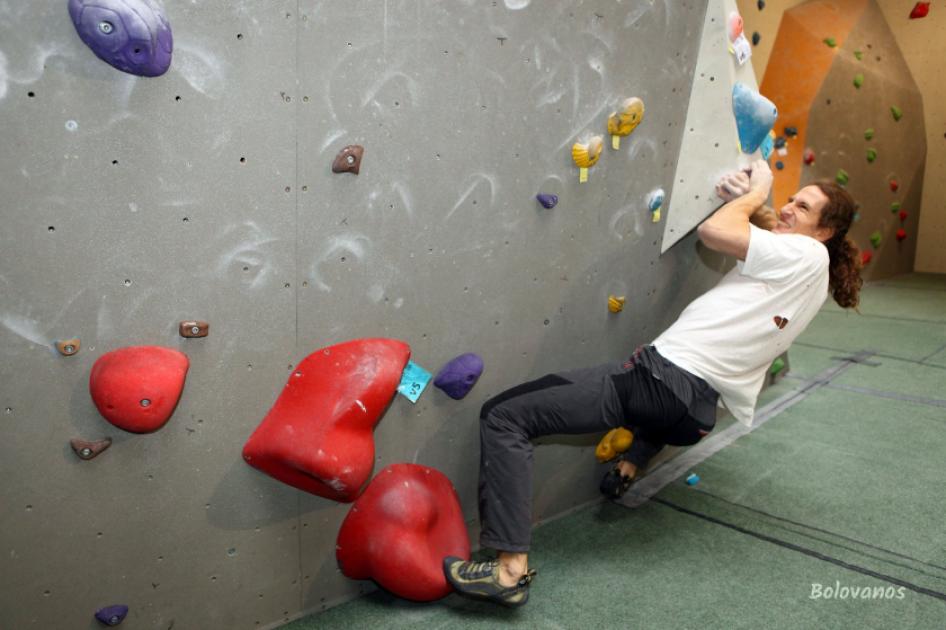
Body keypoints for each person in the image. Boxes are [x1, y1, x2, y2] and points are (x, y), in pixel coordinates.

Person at [443, 160, 862, 607]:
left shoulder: (806, 254)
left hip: (660, 382)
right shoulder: (811, 272)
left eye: (804, 207)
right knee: (656, 411)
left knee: (505, 416)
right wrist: (748, 201)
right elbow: (767, 227)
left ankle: (508, 571)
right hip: (695, 418)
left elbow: (716, 233)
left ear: (824, 232)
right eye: (793, 198)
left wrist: (757, 190)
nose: (790, 206)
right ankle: (632, 463)